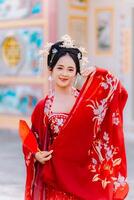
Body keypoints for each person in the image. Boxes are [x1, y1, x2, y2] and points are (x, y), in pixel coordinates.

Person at [22, 35, 129, 200]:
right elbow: (33, 139)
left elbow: (117, 91)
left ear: (77, 72)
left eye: (71, 69)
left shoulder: (87, 104)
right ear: (51, 69)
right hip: (56, 181)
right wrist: (36, 154)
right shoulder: (43, 107)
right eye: (60, 68)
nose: (65, 73)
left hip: (84, 177)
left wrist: (98, 73)